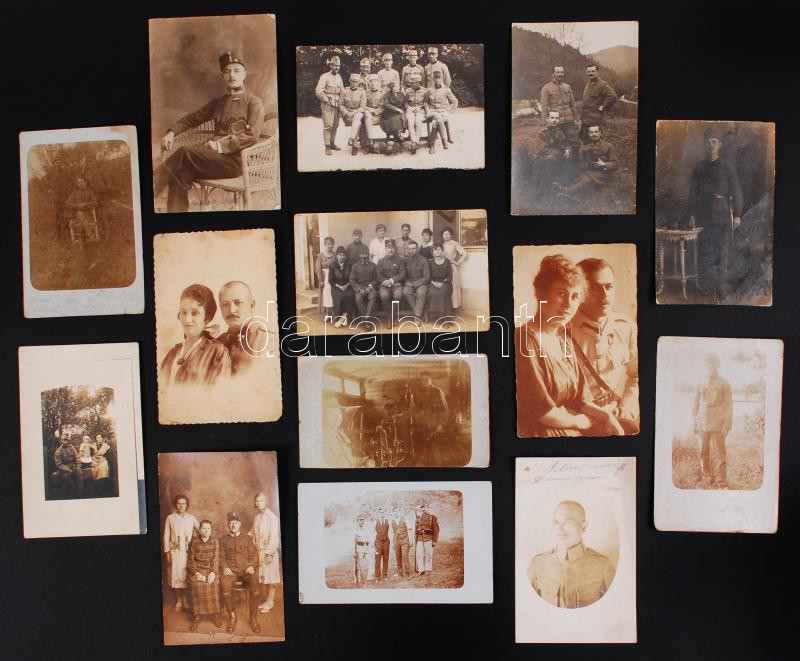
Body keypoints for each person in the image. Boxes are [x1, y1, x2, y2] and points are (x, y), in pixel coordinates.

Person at [515, 254, 625, 437]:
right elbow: (540, 411)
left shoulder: (563, 339)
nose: (568, 305)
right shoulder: (523, 340)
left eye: (575, 297)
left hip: (569, 430)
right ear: (540, 294)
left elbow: (579, 399)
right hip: (538, 435)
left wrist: (606, 416)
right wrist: (579, 422)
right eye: (561, 294)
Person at [154, 52, 265, 212]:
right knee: (180, 173)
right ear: (222, 76)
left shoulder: (253, 102)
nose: (232, 75)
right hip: (212, 160)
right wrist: (171, 132)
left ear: (244, 74)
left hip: (234, 162)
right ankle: (176, 218)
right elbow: (192, 119)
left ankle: (150, 187)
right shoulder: (218, 103)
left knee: (184, 152)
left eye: (236, 71)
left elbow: (252, 135)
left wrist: (219, 146)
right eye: (227, 71)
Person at [572, 258, 639, 434]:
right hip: (579, 419)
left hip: (615, 412)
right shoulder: (562, 333)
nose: (604, 295)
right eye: (595, 288)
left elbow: (637, 375)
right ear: (580, 292)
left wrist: (626, 407)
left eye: (609, 287)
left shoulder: (626, 328)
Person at [687, 125, 743, 299]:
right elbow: (692, 193)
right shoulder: (699, 168)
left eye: (714, 142)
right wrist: (691, 214)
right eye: (708, 142)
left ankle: (721, 287)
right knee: (706, 250)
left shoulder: (727, 167)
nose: (711, 145)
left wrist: (737, 214)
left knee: (723, 250)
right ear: (705, 144)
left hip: (722, 214)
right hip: (704, 214)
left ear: (720, 145)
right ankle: (707, 286)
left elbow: (736, 191)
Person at [528, 500, 615, 609]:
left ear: (584, 526)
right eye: (556, 522)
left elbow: (611, 608)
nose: (560, 528)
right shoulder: (538, 563)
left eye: (568, 522)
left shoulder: (603, 565)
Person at [159, 284, 232, 388]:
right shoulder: (173, 353)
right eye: (184, 312)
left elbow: (220, 394)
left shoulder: (217, 352)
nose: (187, 319)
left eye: (195, 313)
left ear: (207, 317)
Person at [692, 353, 732, 486]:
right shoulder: (699, 383)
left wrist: (726, 425)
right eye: (708, 363)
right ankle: (707, 478)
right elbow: (695, 405)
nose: (710, 365)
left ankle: (721, 481)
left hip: (718, 424)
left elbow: (729, 405)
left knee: (720, 454)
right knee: (703, 452)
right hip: (702, 423)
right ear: (704, 365)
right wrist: (693, 423)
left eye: (713, 362)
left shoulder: (724, 384)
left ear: (718, 365)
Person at [220, 512, 261, 633]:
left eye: (236, 523)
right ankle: (233, 616)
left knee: (256, 590)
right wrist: (224, 567)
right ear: (228, 524)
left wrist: (251, 566)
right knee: (225, 590)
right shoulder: (223, 539)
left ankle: (253, 618)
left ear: (240, 524)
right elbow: (220, 556)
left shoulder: (247, 538)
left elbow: (254, 555)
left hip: (246, 570)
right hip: (231, 571)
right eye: (231, 523)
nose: (234, 525)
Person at [216, 281, 267, 377]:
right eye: (225, 304)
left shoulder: (267, 341)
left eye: (238, 303)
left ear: (251, 305)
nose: (231, 310)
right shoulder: (217, 343)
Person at [558, 125, 617, 200]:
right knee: (579, 176)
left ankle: (567, 191)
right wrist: (570, 150)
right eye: (591, 132)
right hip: (589, 171)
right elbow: (580, 161)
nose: (593, 134)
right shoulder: (584, 147)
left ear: (600, 133)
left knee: (587, 178)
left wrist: (604, 164)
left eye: (596, 132)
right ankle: (574, 197)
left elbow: (615, 164)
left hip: (603, 173)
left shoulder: (608, 146)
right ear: (588, 134)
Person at [163, 494, 199, 613]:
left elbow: (201, 530)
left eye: (183, 503)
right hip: (175, 552)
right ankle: (179, 601)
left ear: (187, 505)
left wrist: (198, 544)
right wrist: (167, 553)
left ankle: (186, 600)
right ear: (175, 505)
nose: (181, 506)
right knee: (177, 577)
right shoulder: (170, 518)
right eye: (179, 503)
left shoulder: (191, 518)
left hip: (188, 553)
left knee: (187, 577)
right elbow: (166, 536)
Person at [187, 519, 224, 631]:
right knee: (196, 584)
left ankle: (215, 614)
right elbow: (190, 560)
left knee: (214, 584)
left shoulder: (215, 542)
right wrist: (197, 573)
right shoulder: (194, 542)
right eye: (204, 528)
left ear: (211, 530)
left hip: (210, 570)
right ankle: (197, 615)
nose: (206, 531)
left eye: (208, 528)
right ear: (199, 529)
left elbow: (216, 559)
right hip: (197, 570)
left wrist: (213, 573)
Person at [250, 492, 281, 614]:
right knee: (263, 577)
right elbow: (253, 532)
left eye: (261, 501)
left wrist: (269, 553)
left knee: (271, 578)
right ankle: (266, 600)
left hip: (269, 552)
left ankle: (270, 601)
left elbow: (274, 536)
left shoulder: (272, 517)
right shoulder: (257, 517)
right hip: (259, 552)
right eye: (257, 501)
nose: (259, 503)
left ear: (266, 502)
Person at [528, 110, 572, 196]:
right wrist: (559, 152)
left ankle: (561, 186)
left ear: (559, 120)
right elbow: (542, 149)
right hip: (540, 157)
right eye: (552, 117)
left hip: (554, 155)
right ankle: (544, 189)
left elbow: (565, 142)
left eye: (556, 118)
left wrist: (567, 149)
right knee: (551, 158)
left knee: (567, 159)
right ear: (548, 119)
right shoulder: (542, 132)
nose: (554, 120)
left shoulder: (559, 131)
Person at [540, 65, 580, 158]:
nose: (560, 74)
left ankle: (575, 164)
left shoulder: (567, 86)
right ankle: (560, 164)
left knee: (575, 143)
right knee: (558, 144)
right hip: (556, 122)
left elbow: (572, 104)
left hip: (569, 121)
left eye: (562, 72)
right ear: (553, 74)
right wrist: (545, 122)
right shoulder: (546, 88)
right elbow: (544, 107)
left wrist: (576, 119)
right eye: (558, 72)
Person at [415, 373, 449, 465]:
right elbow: (419, 409)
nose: (424, 382)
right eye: (422, 380)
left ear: (431, 380)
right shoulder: (422, 393)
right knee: (426, 450)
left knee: (435, 449)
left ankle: (439, 467)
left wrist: (440, 424)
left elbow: (444, 408)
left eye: (426, 379)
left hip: (435, 425)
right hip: (425, 426)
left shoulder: (437, 391)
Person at [579, 64, 617, 142]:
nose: (590, 73)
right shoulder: (588, 85)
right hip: (586, 121)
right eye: (589, 71)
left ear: (597, 72)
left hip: (596, 121)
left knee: (599, 144)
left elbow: (613, 96)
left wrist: (603, 107)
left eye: (593, 71)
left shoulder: (602, 84)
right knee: (586, 143)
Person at [425, 47, 454, 143]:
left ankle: (449, 136)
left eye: (433, 54)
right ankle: (435, 137)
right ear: (428, 55)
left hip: (441, 94)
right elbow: (425, 83)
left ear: (437, 55)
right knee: (435, 116)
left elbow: (447, 81)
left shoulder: (442, 66)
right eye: (430, 54)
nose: (431, 55)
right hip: (431, 95)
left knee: (444, 116)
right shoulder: (426, 67)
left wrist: (443, 92)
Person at [316, 55, 344, 156]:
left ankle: (332, 143)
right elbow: (318, 91)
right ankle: (327, 146)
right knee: (328, 125)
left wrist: (342, 103)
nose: (337, 67)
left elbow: (342, 91)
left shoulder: (339, 77)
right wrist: (326, 99)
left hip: (337, 104)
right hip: (327, 104)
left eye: (338, 66)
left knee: (335, 125)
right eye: (335, 65)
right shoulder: (325, 77)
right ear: (330, 65)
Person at [424, 70, 458, 153]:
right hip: (432, 112)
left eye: (439, 78)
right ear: (433, 79)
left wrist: (448, 109)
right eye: (435, 78)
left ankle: (432, 145)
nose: (437, 80)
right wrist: (427, 110)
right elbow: (426, 102)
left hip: (443, 112)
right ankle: (444, 141)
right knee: (437, 118)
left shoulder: (446, 90)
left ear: (442, 78)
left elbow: (455, 102)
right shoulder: (429, 90)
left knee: (436, 122)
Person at [377, 239, 406, 325]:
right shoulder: (381, 261)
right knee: (384, 296)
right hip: (384, 285)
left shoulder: (400, 260)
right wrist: (386, 282)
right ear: (385, 249)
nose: (390, 250)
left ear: (395, 249)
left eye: (392, 248)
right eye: (388, 248)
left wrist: (392, 280)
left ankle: (390, 318)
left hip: (397, 284)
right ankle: (391, 315)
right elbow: (378, 275)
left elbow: (402, 274)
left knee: (397, 296)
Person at [64, 177, 99, 243]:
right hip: (76, 215)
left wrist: (86, 204)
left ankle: (80, 238)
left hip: (88, 214)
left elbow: (95, 202)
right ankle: (90, 235)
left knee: (81, 216)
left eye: (81, 182)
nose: (80, 184)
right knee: (80, 213)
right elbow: (67, 203)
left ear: (85, 183)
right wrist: (77, 205)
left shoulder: (90, 192)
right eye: (78, 182)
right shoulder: (74, 193)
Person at [402, 241, 430, 323]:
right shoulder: (405, 260)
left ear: (417, 249)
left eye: (414, 248)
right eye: (410, 249)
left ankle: (417, 316)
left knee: (421, 293)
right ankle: (419, 312)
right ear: (408, 250)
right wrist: (406, 281)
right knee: (406, 292)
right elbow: (403, 274)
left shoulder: (423, 260)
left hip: (421, 283)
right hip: (409, 283)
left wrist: (414, 284)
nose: (412, 251)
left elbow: (427, 277)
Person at [441, 227, 468, 310]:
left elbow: (465, 254)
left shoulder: (454, 244)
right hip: (443, 268)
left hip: (452, 267)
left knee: (453, 288)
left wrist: (458, 262)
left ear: (451, 235)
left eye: (448, 234)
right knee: (445, 287)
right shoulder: (442, 245)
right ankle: (445, 307)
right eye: (444, 234)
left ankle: (452, 308)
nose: (446, 236)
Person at [340, 73, 367, 155]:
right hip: (348, 114)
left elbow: (362, 107)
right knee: (357, 122)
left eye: (356, 81)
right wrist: (346, 112)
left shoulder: (362, 92)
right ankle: (353, 142)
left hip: (358, 112)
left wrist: (354, 112)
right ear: (349, 81)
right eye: (353, 81)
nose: (354, 83)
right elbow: (340, 104)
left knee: (357, 117)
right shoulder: (344, 91)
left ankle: (353, 144)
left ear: (358, 82)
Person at [426, 243, 454, 321]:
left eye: (439, 249)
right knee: (433, 292)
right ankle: (436, 316)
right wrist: (434, 283)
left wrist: (443, 282)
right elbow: (428, 276)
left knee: (443, 293)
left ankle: (446, 318)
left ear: (442, 251)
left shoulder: (447, 261)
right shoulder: (430, 262)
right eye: (435, 250)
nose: (437, 251)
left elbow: (450, 276)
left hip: (445, 283)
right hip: (432, 282)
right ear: (432, 252)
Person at [329, 246, 355, 328]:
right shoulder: (332, 265)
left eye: (343, 255)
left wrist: (346, 285)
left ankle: (342, 319)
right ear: (336, 255)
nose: (342, 257)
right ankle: (344, 318)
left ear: (345, 256)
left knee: (349, 296)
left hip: (348, 285)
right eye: (340, 255)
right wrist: (339, 286)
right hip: (336, 287)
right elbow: (330, 280)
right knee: (339, 297)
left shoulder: (349, 265)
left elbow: (352, 278)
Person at [350, 247, 378, 318]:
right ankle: (364, 318)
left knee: (373, 297)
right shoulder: (355, 266)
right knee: (358, 299)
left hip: (370, 288)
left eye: (366, 254)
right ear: (359, 255)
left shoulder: (373, 265)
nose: (364, 256)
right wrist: (359, 289)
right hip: (359, 288)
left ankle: (367, 318)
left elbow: (376, 279)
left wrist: (370, 286)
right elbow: (352, 280)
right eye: (362, 254)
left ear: (368, 255)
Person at [52, 433, 82, 497]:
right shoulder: (58, 451)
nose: (66, 442)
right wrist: (68, 470)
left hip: (73, 466)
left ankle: (80, 494)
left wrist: (78, 466)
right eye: (64, 440)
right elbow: (59, 465)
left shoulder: (72, 447)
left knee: (79, 473)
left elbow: (77, 457)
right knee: (67, 477)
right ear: (61, 441)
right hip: (64, 469)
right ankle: (71, 494)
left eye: (67, 440)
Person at [404, 73, 427, 154]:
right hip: (410, 110)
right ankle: (413, 141)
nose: (411, 84)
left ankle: (416, 142)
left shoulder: (424, 91)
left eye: (413, 83)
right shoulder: (408, 91)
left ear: (418, 83)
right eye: (411, 82)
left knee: (418, 121)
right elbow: (406, 103)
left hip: (420, 110)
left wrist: (420, 108)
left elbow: (426, 103)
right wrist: (409, 108)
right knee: (410, 121)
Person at [381, 79, 406, 154]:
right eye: (396, 87)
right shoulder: (387, 95)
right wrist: (397, 109)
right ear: (391, 88)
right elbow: (386, 104)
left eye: (398, 86)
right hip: (390, 112)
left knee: (401, 118)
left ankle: (397, 135)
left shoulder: (401, 94)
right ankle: (397, 136)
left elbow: (404, 103)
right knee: (392, 119)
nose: (398, 88)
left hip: (400, 111)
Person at [414, 502, 439, 575]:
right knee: (419, 554)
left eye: (425, 508)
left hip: (428, 538)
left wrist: (434, 541)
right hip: (420, 539)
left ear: (428, 508)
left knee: (428, 554)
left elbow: (436, 530)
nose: (423, 510)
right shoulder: (419, 517)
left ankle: (428, 569)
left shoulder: (432, 517)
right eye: (422, 508)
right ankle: (421, 570)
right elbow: (416, 529)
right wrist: (416, 538)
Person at [314, 236, 336, 317]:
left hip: (333, 277)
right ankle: (327, 312)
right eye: (328, 244)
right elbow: (318, 268)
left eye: (332, 244)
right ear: (325, 245)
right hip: (324, 277)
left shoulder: (335, 255)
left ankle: (333, 310)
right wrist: (320, 280)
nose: (330, 245)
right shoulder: (320, 256)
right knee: (326, 294)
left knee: (332, 293)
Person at [391, 505, 413, 577]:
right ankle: (400, 572)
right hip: (396, 540)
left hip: (404, 540)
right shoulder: (392, 520)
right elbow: (392, 532)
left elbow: (410, 529)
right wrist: (393, 542)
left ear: (399, 511)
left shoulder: (404, 518)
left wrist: (411, 540)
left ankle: (408, 572)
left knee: (404, 555)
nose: (396, 513)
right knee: (398, 556)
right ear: (393, 513)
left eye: (397, 511)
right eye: (394, 511)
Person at [353, 514, 373, 587]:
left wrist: (369, 544)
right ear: (357, 521)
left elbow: (367, 539)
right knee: (357, 566)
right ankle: (357, 580)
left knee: (370, 560)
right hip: (358, 548)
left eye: (363, 520)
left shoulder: (365, 529)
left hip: (365, 548)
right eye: (360, 520)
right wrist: (354, 552)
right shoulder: (355, 530)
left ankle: (369, 576)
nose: (362, 522)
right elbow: (352, 541)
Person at [374, 506, 391, 583]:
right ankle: (377, 577)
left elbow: (390, 531)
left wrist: (388, 540)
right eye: (380, 512)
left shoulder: (387, 521)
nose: (382, 513)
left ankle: (385, 575)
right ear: (378, 513)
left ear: (385, 513)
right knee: (377, 560)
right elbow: (372, 533)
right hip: (378, 542)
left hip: (386, 542)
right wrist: (373, 544)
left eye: (383, 512)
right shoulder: (375, 521)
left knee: (386, 559)